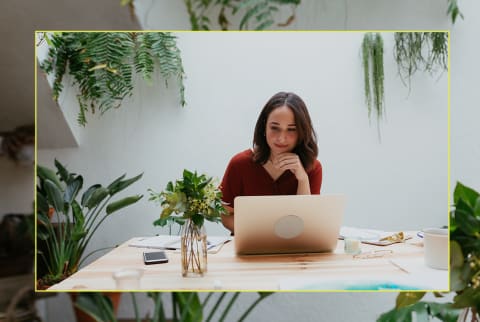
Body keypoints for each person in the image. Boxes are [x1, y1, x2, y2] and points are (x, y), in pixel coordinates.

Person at [220, 91, 322, 234]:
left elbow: (305, 223)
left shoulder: (313, 167)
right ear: (264, 127)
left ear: (301, 132)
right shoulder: (239, 164)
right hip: (250, 247)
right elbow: (225, 215)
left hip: (294, 250)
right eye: (275, 128)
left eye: (291, 130)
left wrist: (303, 179)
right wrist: (263, 236)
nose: (281, 138)